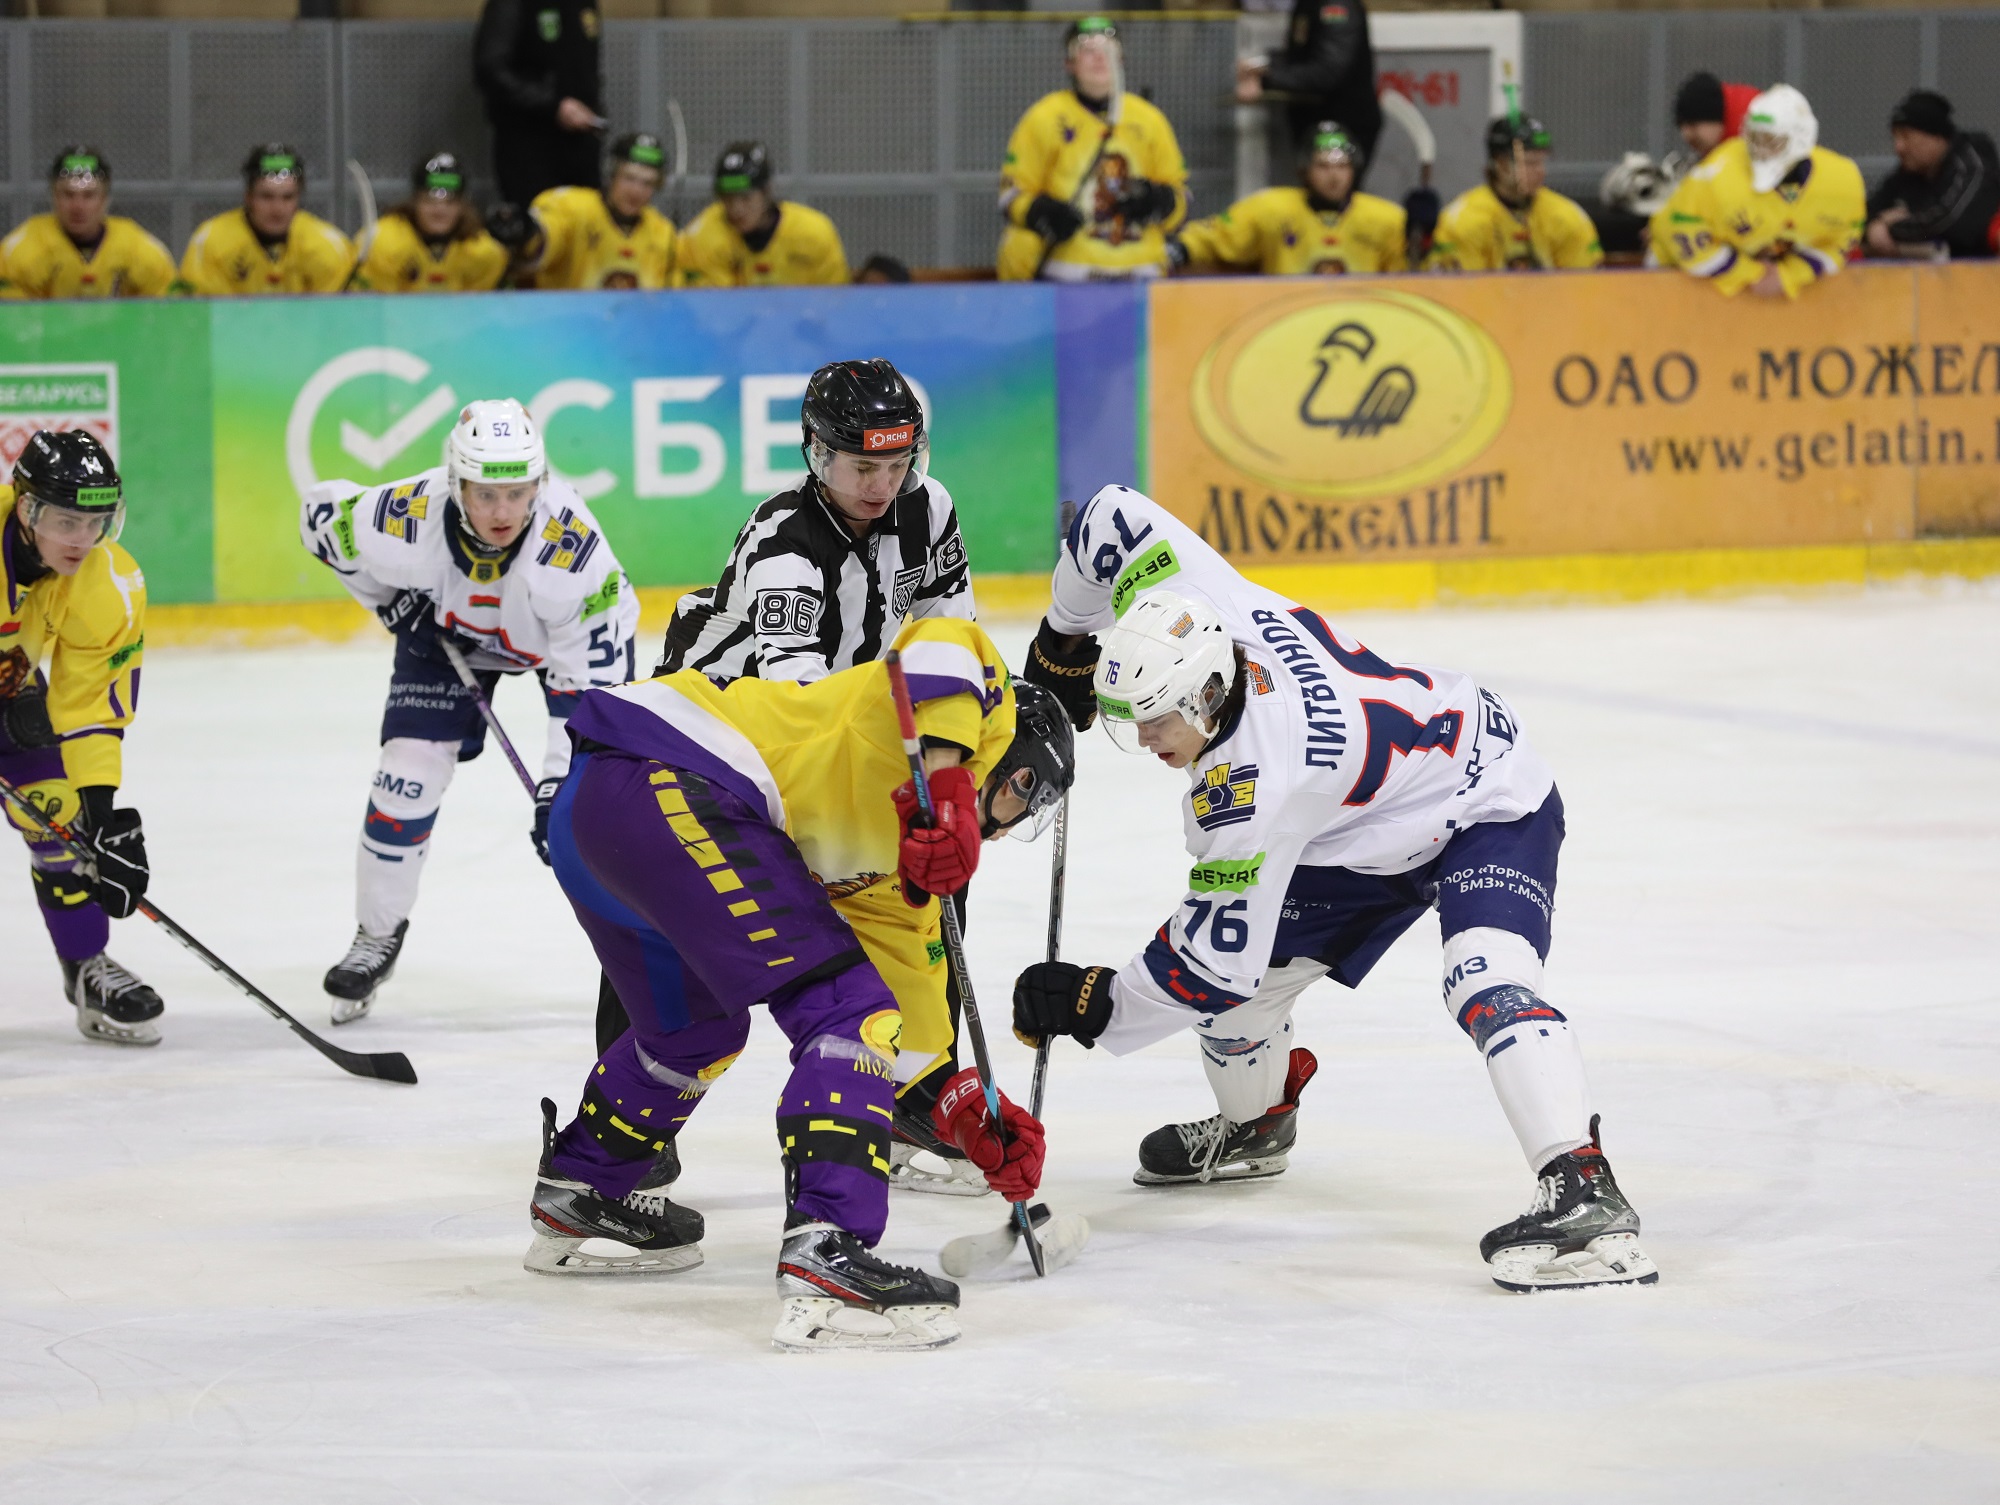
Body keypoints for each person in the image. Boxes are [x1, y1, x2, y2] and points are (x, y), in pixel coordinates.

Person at [1014, 485, 1660, 1293]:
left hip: (1485, 796)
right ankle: (1257, 1125)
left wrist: (1096, 1003)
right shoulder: (1198, 602)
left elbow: (1212, 961)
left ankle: (1582, 1187)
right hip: (1362, 822)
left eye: (1156, 720)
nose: (1144, 739)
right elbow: (1110, 518)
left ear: (1208, 696)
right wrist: (1065, 636)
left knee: (1484, 979)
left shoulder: (1250, 789)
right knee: (1245, 1001)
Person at [527, 616, 1065, 1350]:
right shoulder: (957, 711)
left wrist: (967, 1113)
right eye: (1022, 804)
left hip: (602, 815)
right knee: (848, 1012)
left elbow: (906, 1035)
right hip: (671, 774)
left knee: (695, 1031)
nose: (1004, 831)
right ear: (1018, 771)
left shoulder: (896, 881)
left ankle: (582, 1186)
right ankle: (827, 1245)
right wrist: (945, 790)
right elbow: (944, 639)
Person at [646, 359, 991, 1191]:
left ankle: (915, 1088)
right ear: (817, 453)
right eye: (863, 465)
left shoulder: (930, 508)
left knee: (936, 872)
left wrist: (964, 743)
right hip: (718, 746)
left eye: (897, 463)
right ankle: (638, 1127)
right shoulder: (783, 545)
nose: (882, 484)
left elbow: (951, 636)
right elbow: (799, 706)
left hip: (833, 727)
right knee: (677, 924)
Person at [299, 399, 638, 1025]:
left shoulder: (572, 556)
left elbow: (588, 695)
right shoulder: (406, 518)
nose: (503, 512)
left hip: (556, 645)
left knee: (590, 802)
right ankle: (377, 934)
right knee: (403, 779)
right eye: (485, 494)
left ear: (540, 483)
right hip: (447, 635)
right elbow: (320, 518)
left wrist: (557, 787)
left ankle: (647, 945)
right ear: (455, 485)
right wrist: (388, 601)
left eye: (518, 493)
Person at [0, 431, 156, 1046]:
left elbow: (90, 705)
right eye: (67, 521)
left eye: (97, 522)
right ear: (27, 509)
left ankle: (86, 965)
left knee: (62, 819)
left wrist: (101, 815)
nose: (82, 539)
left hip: (9, 689)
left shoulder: (106, 581)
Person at [996, 18, 1189, 282]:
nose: (1100, 57)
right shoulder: (1043, 117)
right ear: (1069, 64)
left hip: (1142, 271)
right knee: (1017, 242)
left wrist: (1158, 200)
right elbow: (1010, 196)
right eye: (1087, 50)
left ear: (1121, 60)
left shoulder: (1150, 120)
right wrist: (1041, 212)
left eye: (1109, 49)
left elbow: (1182, 201)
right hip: (1068, 272)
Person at [1650, 85, 1864, 299]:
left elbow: (1843, 242)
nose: (1760, 149)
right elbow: (1677, 230)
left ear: (1801, 138)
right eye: (1754, 138)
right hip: (1678, 283)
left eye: (1771, 141)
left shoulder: (1843, 182)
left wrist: (1791, 274)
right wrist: (1752, 274)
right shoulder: (1717, 173)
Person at [1171, 122, 1405, 275]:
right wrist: (1180, 248)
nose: (1334, 177)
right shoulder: (1267, 208)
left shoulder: (1389, 219)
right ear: (1305, 170)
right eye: (1323, 166)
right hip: (1287, 323)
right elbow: (1216, 233)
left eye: (1343, 166)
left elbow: (1410, 274)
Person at [1428, 116, 1602, 273]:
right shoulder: (1464, 221)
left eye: (1542, 161)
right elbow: (1460, 292)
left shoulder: (1568, 217)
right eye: (1530, 163)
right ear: (1501, 164)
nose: (1541, 171)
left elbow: (1585, 289)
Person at [473, 0, 603, 209]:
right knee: (537, 223)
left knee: (587, 220)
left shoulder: (584, 3)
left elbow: (585, 68)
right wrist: (554, 106)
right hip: (529, 144)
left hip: (581, 142)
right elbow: (491, 69)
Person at [0, 148, 176, 300]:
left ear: (105, 199)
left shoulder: (138, 249)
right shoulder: (20, 252)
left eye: (89, 195)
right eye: (68, 194)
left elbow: (170, 308)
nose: (78, 206)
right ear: (54, 197)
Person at [179, 146, 355, 296]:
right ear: (248, 197)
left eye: (288, 197)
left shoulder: (327, 247)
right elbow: (197, 314)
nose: (277, 209)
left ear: (299, 199)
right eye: (266, 196)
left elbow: (340, 317)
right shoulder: (211, 242)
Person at [675, 142, 848, 288]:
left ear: (767, 192)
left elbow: (834, 301)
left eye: (746, 198)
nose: (736, 208)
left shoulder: (815, 233)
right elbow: (712, 309)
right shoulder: (703, 236)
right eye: (727, 198)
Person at [1235, 0, 1380, 170]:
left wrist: (1267, 80)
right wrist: (1262, 67)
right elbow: (1302, 55)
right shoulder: (1309, 4)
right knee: (1315, 183)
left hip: (1341, 121)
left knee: (1332, 182)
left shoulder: (1335, 6)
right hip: (1315, 117)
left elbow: (1328, 71)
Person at [526, 133, 677, 290]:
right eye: (629, 178)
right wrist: (532, 238)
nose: (636, 191)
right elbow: (544, 238)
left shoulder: (663, 232)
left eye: (648, 183)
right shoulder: (574, 209)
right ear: (612, 174)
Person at [1864, 90, 1999, 262]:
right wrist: (1874, 225)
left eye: (1906, 136)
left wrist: (1890, 226)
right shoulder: (1910, 172)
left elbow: (1951, 221)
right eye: (1895, 137)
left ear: (1935, 137)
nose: (1898, 147)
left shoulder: (1972, 162)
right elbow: (1865, 212)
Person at [351, 153, 512, 293]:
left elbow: (479, 311)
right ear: (414, 202)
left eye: (450, 202)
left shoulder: (484, 252)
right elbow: (376, 310)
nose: (439, 211)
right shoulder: (384, 243)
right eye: (429, 200)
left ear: (463, 206)